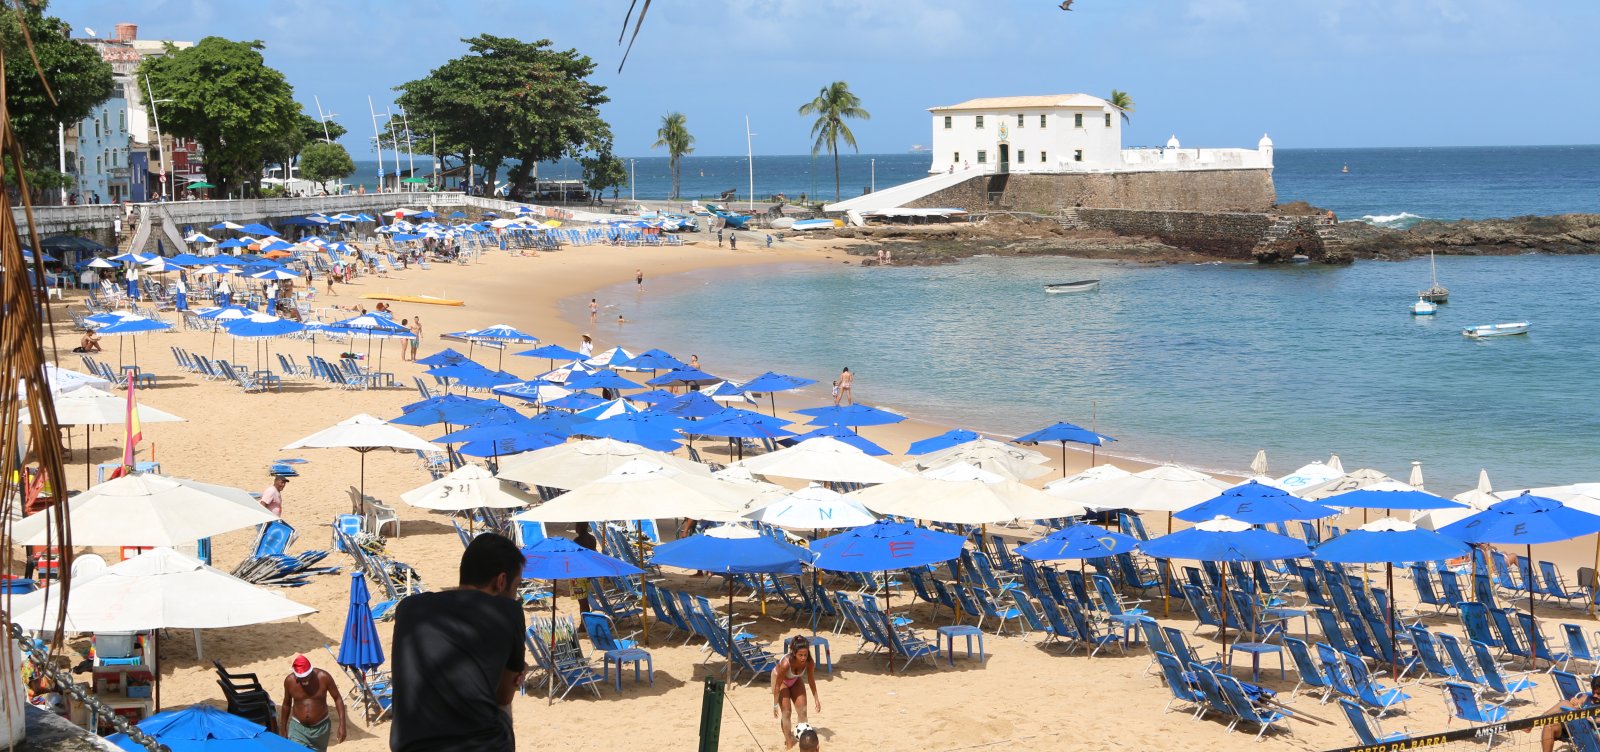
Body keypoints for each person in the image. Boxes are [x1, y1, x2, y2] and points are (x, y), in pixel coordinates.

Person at [391, 534, 527, 752]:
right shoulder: (508, 612)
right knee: (501, 710)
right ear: (501, 581)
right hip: (482, 746)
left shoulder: (408, 608)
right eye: (516, 587)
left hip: (411, 746)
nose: (515, 595)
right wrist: (515, 674)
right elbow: (503, 695)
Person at [279, 654, 347, 751]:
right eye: (301, 677)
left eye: (307, 676)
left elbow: (338, 699)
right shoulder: (289, 681)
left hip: (321, 728)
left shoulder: (324, 677)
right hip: (298, 728)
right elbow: (286, 704)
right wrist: (283, 728)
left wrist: (342, 724)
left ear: (311, 671)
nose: (305, 679)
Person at [772, 636, 821, 750]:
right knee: (786, 712)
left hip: (795, 679)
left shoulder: (809, 662)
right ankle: (789, 742)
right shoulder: (785, 663)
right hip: (780, 681)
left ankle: (804, 743)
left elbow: (811, 681)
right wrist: (775, 705)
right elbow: (778, 685)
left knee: (803, 711)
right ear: (794, 653)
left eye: (806, 654)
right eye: (801, 655)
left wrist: (816, 699)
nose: (804, 658)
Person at [1532, 674, 1600, 751]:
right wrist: (1574, 702)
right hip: (1576, 728)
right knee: (1549, 725)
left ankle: (1535, 721)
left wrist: (1593, 720)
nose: (1594, 695)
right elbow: (1576, 705)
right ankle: (1537, 720)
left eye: (1598, 694)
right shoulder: (1586, 698)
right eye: (1593, 692)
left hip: (1593, 733)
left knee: (1565, 703)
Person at [572, 522, 598, 614]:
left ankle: (584, 623)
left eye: (576, 525)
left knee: (582, 601)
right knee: (585, 599)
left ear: (580, 527)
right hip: (589, 572)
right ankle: (585, 621)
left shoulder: (577, 541)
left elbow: (575, 558)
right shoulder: (592, 539)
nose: (575, 527)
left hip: (578, 574)